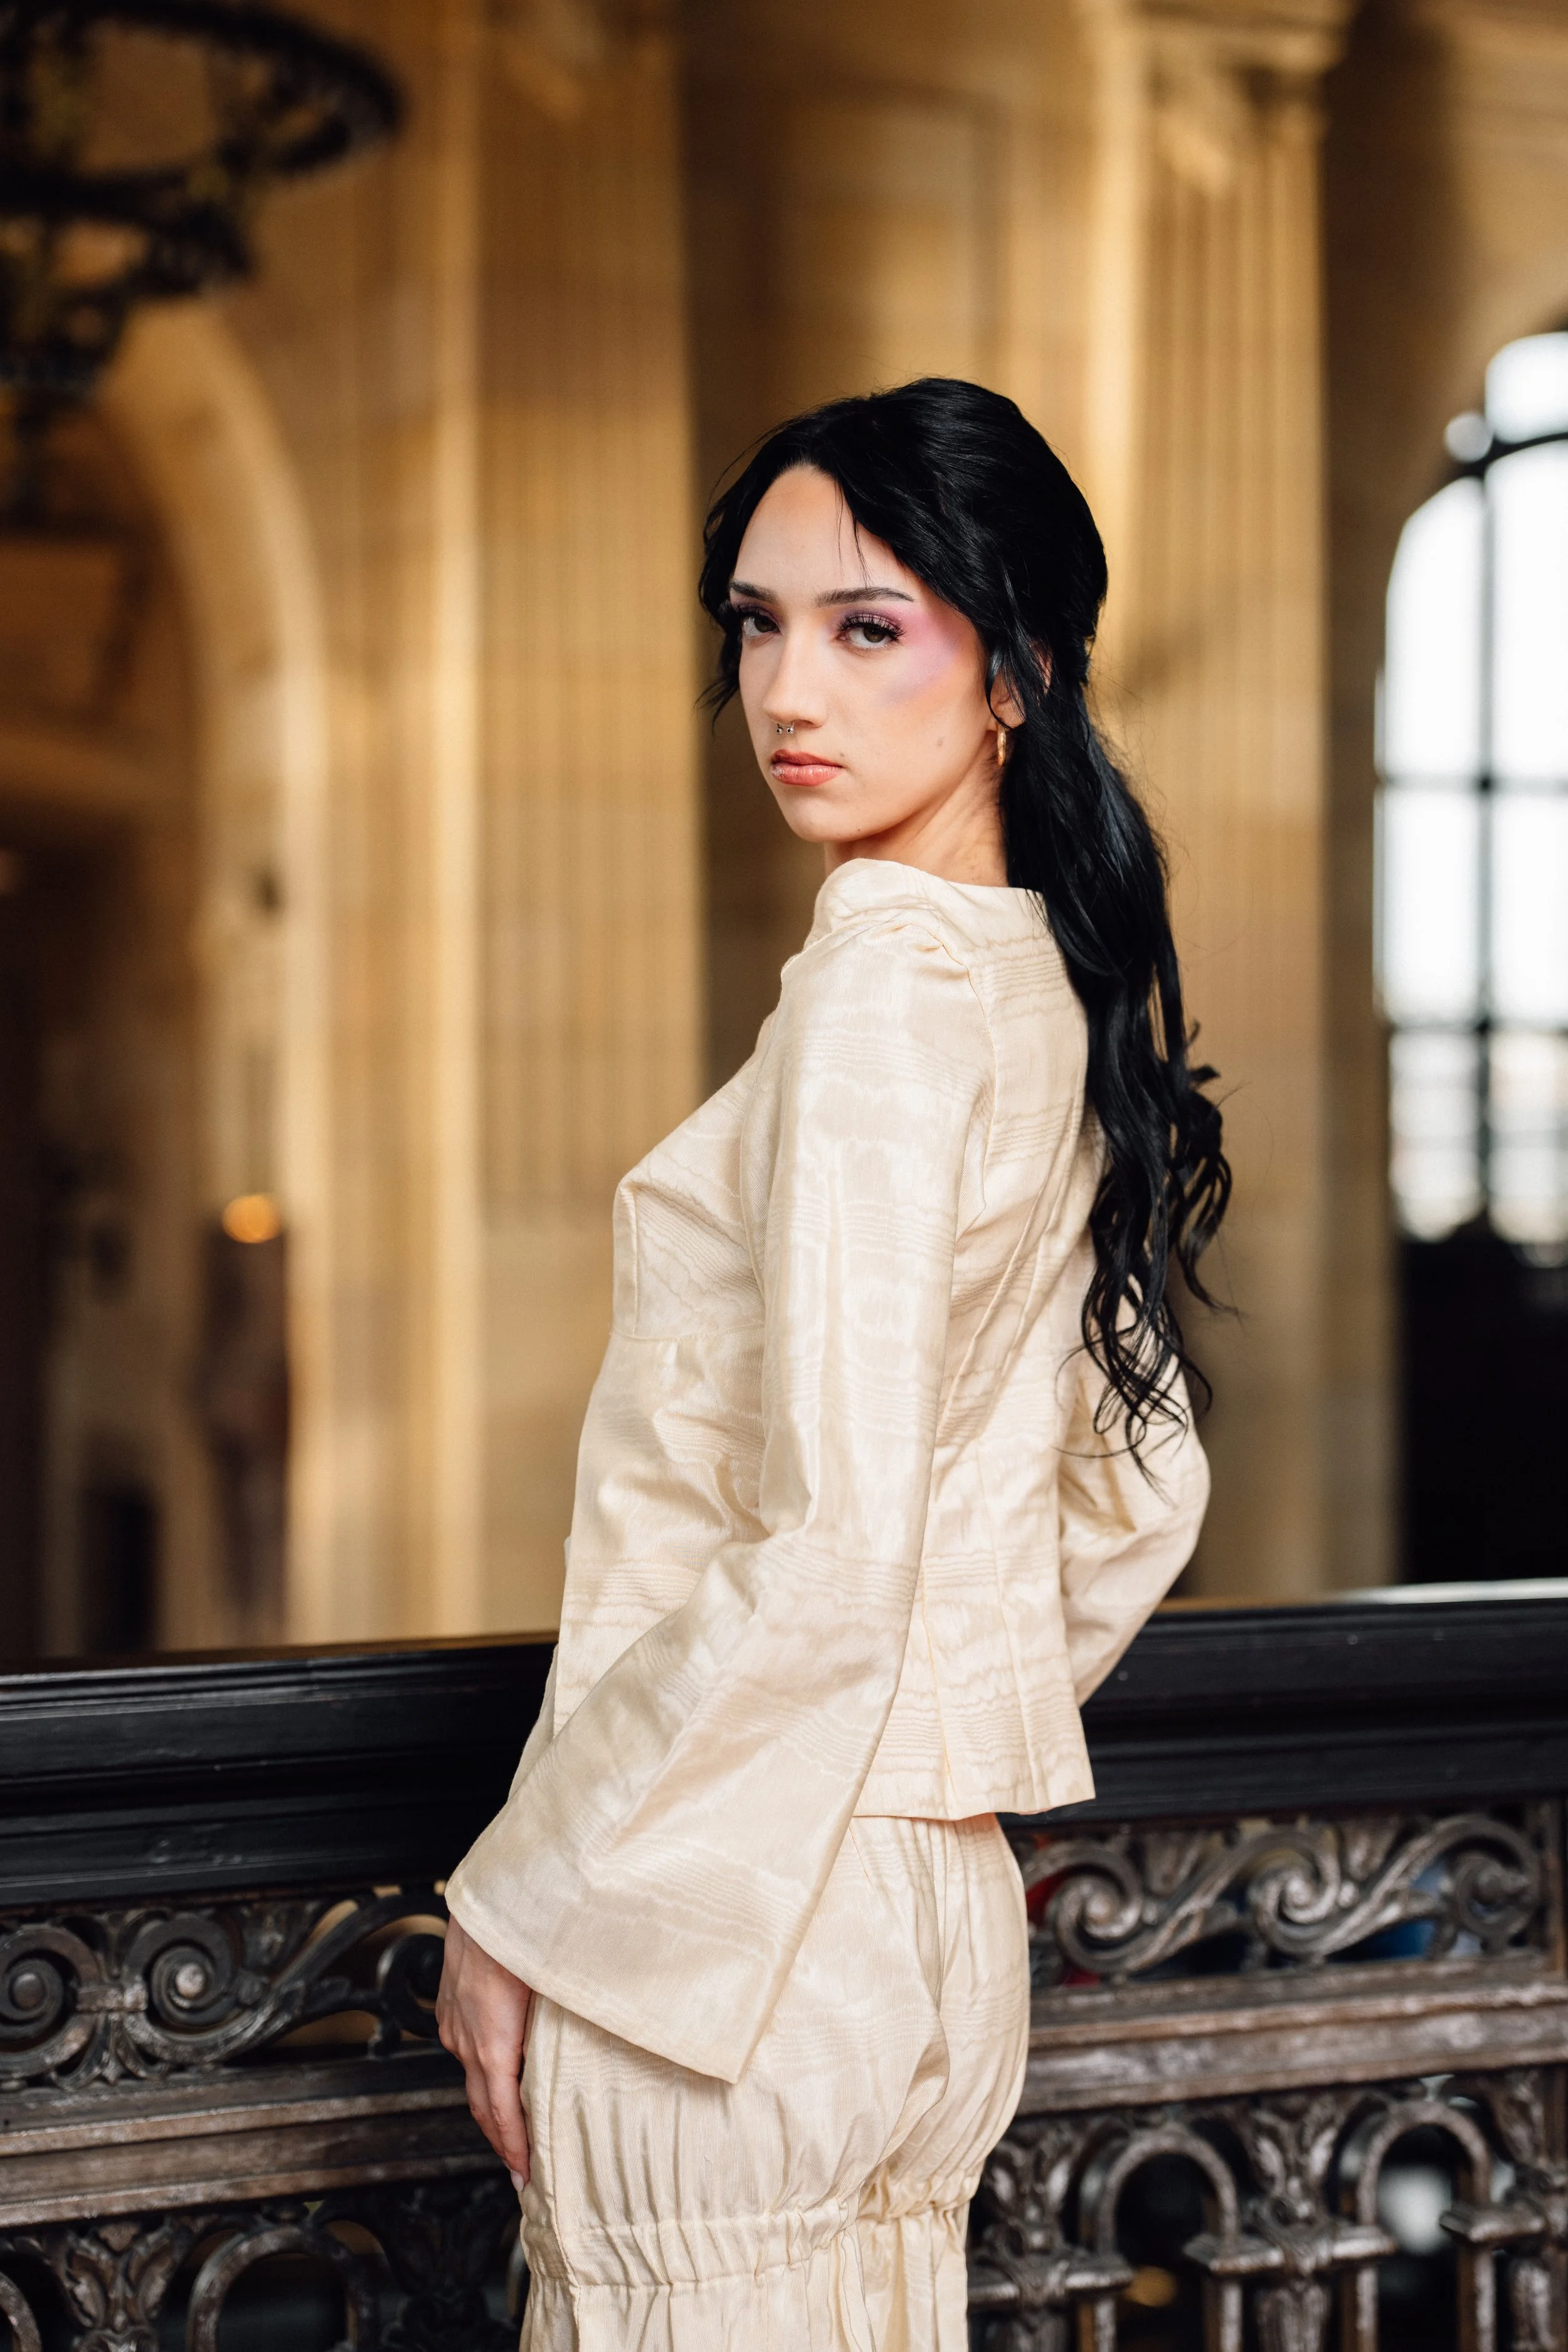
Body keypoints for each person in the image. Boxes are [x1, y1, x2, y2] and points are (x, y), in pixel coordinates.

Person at [436, 377, 1230, 2351]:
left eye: (866, 625)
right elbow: (1142, 1486)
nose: (790, 687)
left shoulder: (883, 980)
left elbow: (825, 1545)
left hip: (730, 1923)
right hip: (927, 1916)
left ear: (1018, 670)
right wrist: (935, 1727)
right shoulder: (1042, 981)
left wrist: (515, 1898)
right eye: (758, 621)